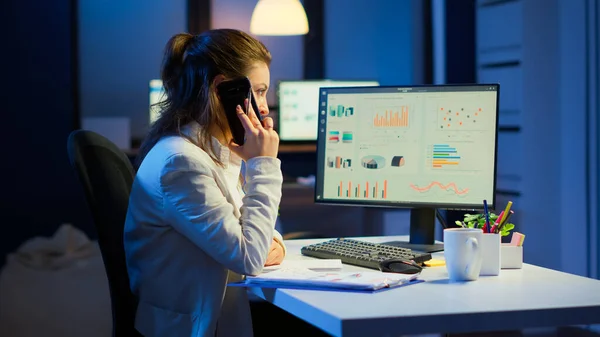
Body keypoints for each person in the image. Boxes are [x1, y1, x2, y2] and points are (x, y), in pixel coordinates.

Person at [123, 29, 285, 337]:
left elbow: (255, 236)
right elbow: (250, 256)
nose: (265, 107)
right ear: (225, 89)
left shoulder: (209, 152)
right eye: (260, 91)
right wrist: (263, 164)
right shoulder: (180, 163)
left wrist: (264, 242)